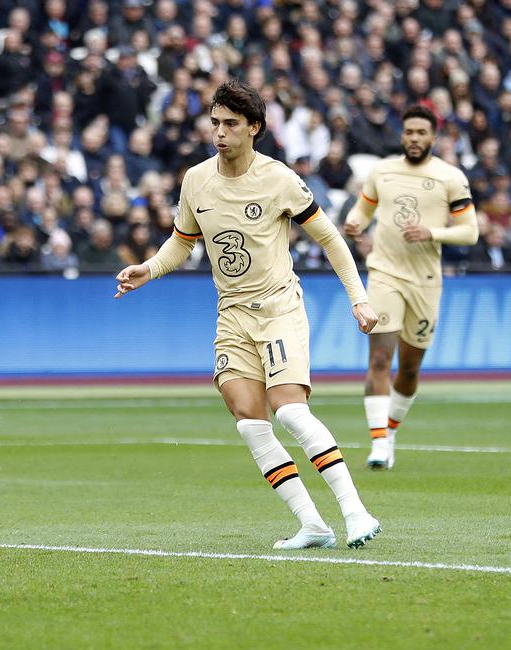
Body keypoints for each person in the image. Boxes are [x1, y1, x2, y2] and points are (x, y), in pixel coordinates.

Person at [115, 81, 381, 550]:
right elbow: (183, 241)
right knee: (249, 420)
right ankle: (313, 525)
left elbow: (331, 239)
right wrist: (150, 269)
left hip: (278, 306)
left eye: (231, 124)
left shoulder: (278, 178)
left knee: (291, 411)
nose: (220, 133)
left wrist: (358, 298)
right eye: (215, 123)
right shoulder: (196, 180)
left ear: (254, 128)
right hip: (231, 314)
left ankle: (356, 512)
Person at [343, 105, 479, 470]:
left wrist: (431, 232)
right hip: (384, 273)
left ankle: (390, 432)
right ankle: (377, 444)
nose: (414, 139)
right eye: (409, 132)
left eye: (422, 133)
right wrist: (354, 224)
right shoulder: (382, 172)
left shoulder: (450, 177)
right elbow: (362, 211)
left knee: (409, 368)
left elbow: (470, 231)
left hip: (426, 281)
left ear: (434, 137)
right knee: (379, 359)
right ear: (402, 135)